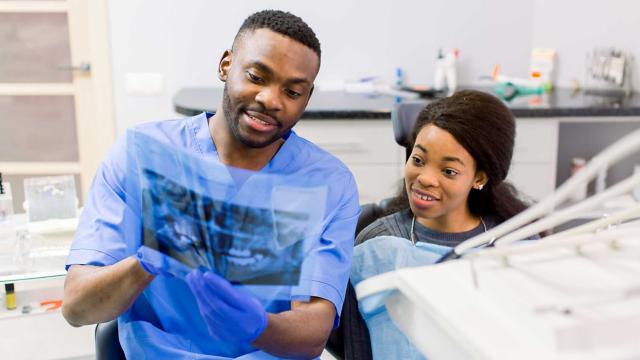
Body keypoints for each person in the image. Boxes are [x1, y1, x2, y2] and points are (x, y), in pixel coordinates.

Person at [62, 10, 360, 359]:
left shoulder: (328, 184)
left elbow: (313, 335)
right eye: (256, 76)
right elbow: (77, 308)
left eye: (292, 91)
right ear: (225, 66)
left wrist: (260, 327)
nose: (271, 99)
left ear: (306, 99)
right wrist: (147, 261)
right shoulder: (141, 157)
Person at [345, 89, 534, 359]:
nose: (425, 178)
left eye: (448, 171)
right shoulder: (377, 248)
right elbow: (358, 350)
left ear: (479, 177)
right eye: (418, 160)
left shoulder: (516, 247)